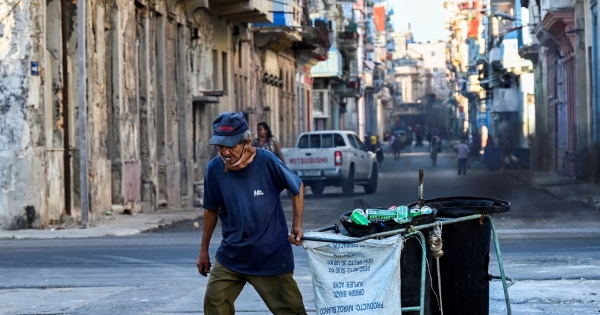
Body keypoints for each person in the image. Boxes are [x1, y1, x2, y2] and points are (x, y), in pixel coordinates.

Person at [196, 112, 307, 315]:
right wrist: (203, 250)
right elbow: (211, 209)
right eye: (220, 147)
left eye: (230, 146)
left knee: (292, 311)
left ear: (246, 142)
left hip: (270, 255)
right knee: (214, 304)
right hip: (232, 255)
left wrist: (297, 225)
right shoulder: (214, 169)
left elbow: (297, 186)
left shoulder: (266, 161)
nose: (225, 152)